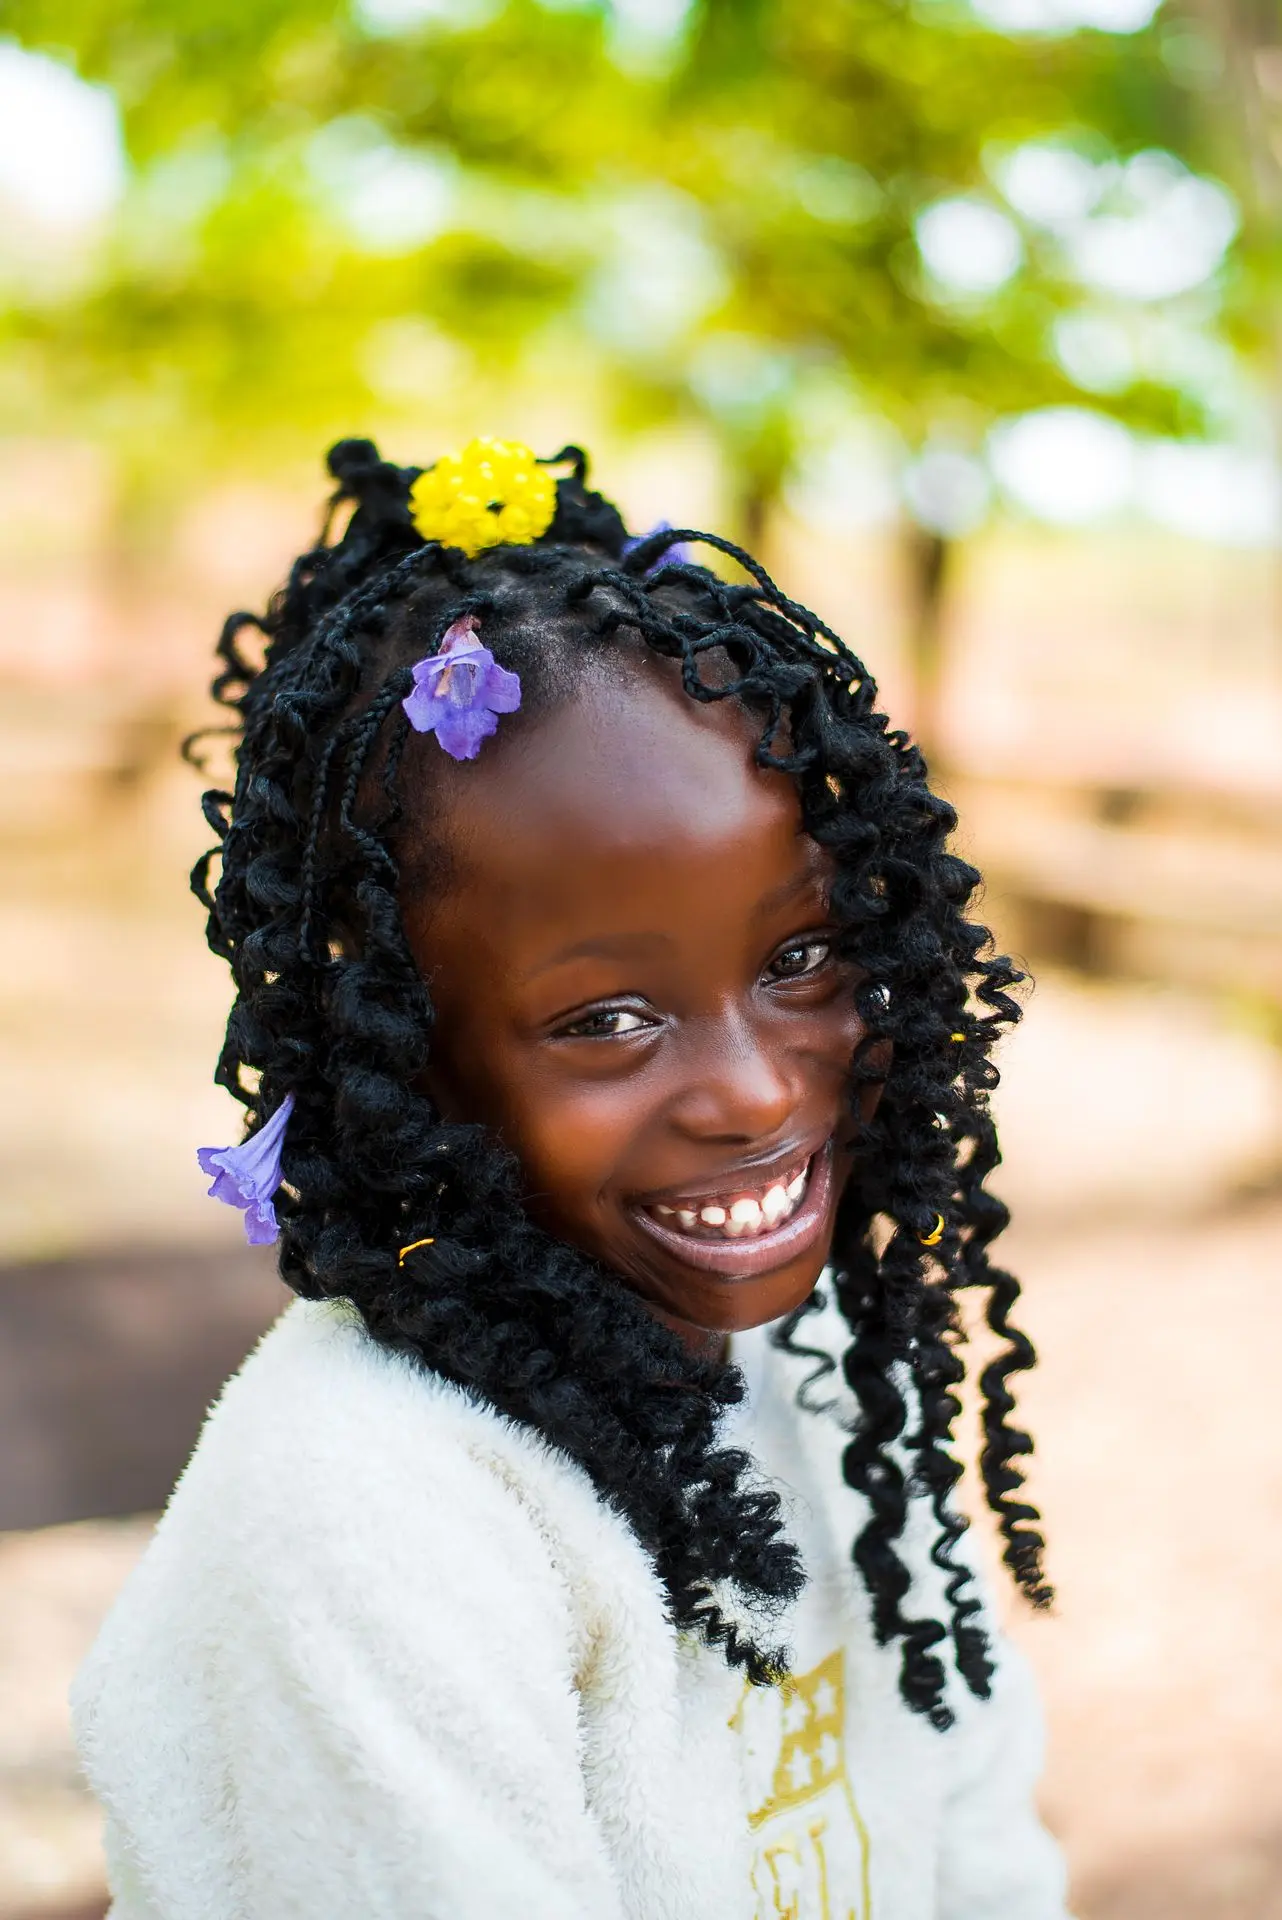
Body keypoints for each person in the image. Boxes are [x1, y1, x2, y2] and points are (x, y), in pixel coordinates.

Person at [72, 435, 1071, 1918]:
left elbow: (984, 1851)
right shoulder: (370, 1512)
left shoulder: (829, 1369)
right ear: (407, 1052)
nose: (754, 1090)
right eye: (607, 1020)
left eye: (800, 957)